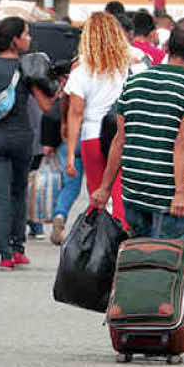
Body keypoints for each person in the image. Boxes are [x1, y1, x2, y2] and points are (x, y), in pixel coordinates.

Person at [95, 28, 184, 240]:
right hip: (167, 193)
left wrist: (105, 188)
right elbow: (183, 144)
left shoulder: (133, 82)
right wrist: (181, 193)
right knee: (165, 262)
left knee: (137, 258)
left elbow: (120, 140)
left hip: (133, 187)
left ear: (166, 48)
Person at [0, 18, 55, 268]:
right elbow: (46, 105)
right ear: (15, 40)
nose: (29, 38)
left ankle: (5, 256)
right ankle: (18, 247)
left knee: (0, 194)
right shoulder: (27, 67)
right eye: (25, 34)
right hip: (22, 137)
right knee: (19, 192)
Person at [63, 11, 143, 222]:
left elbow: (75, 113)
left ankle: (99, 242)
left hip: (92, 135)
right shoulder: (134, 65)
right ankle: (122, 242)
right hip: (124, 133)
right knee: (120, 193)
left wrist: (71, 154)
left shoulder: (81, 70)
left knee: (97, 194)